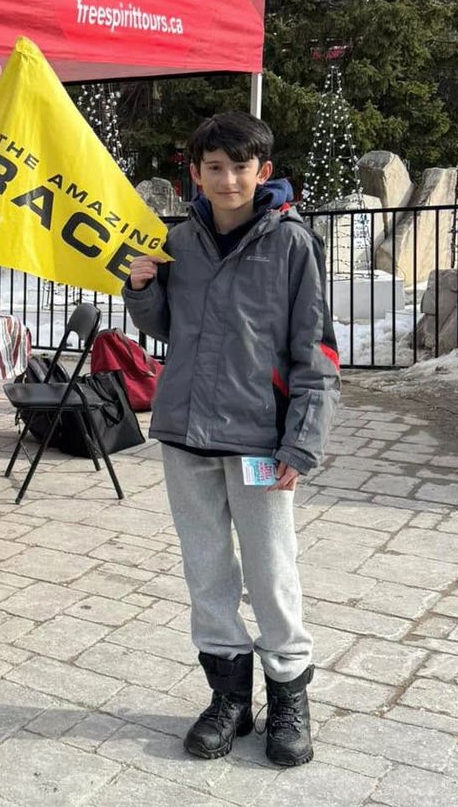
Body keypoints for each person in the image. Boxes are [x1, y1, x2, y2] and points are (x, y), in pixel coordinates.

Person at [123, 111, 339, 768]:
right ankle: (229, 699)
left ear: (263, 172)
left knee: (272, 574)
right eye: (213, 167)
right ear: (195, 174)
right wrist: (140, 288)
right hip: (187, 434)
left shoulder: (292, 244)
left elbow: (317, 349)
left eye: (240, 166)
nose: (227, 179)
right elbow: (167, 329)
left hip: (258, 441)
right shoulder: (180, 241)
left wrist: (302, 441)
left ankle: (289, 698)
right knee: (208, 571)